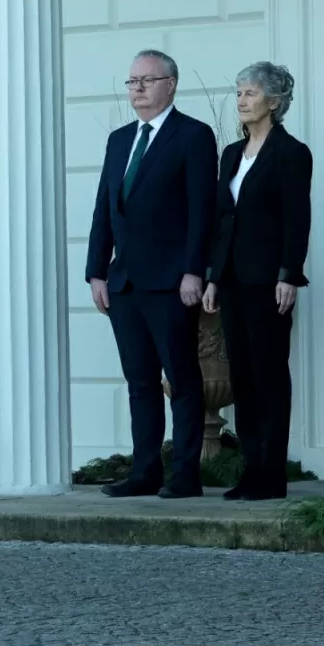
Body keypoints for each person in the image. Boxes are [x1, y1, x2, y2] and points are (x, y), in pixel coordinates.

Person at [85, 49, 217, 499]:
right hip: (124, 283)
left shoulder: (193, 136)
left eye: (147, 80)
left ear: (171, 84)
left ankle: (185, 474)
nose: (137, 88)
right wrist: (96, 271)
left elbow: (203, 212)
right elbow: (105, 208)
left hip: (172, 282)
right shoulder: (120, 139)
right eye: (132, 81)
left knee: (181, 379)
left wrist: (193, 271)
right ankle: (145, 470)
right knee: (139, 382)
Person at [201, 62, 313, 501]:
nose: (242, 100)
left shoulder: (292, 152)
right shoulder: (231, 153)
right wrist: (212, 277)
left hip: (269, 281)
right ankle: (250, 468)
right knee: (242, 375)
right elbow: (220, 222)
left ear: (275, 101)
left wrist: (289, 274)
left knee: (268, 374)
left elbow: (296, 220)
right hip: (230, 279)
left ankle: (271, 472)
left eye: (249, 93)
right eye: (239, 92)